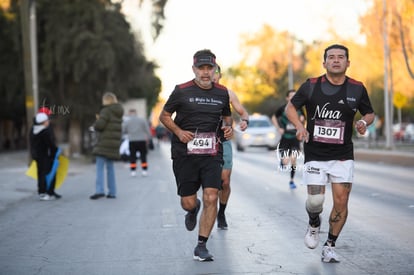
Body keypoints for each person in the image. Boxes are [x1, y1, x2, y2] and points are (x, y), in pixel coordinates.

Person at [285, 44, 375, 263]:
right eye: (331, 57)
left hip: (343, 155)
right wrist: (299, 125)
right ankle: (314, 223)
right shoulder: (311, 86)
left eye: (341, 57)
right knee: (315, 201)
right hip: (315, 153)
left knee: (341, 201)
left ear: (348, 63)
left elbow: (370, 113)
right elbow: (290, 108)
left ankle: (330, 245)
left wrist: (363, 122)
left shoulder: (357, 88)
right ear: (324, 63)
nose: (336, 60)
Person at [159, 49, 233, 262]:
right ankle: (193, 210)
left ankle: (201, 245)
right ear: (194, 70)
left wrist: (228, 128)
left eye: (209, 68)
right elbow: (164, 116)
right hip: (185, 154)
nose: (205, 72)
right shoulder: (181, 91)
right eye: (201, 68)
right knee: (188, 202)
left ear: (214, 70)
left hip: (212, 153)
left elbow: (227, 118)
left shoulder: (222, 92)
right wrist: (179, 132)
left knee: (211, 195)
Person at [212, 64, 249, 230]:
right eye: (208, 70)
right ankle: (204, 209)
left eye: (215, 71)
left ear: (220, 75)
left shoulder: (227, 93)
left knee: (225, 182)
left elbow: (243, 112)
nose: (212, 74)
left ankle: (221, 212)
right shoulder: (195, 94)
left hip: (223, 141)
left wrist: (245, 121)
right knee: (207, 182)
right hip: (203, 143)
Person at [90, 92, 124, 200]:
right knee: (110, 168)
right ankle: (112, 192)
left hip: (104, 143)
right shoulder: (118, 112)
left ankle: (99, 191)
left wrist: (97, 121)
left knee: (99, 167)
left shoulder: (106, 110)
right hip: (113, 144)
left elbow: (100, 125)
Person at [271, 89, 305, 189]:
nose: (293, 97)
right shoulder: (282, 108)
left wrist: (302, 126)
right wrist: (279, 128)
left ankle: (291, 181)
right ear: (287, 98)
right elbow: (274, 117)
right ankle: (282, 162)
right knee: (286, 162)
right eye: (291, 96)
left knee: (294, 160)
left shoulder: (299, 108)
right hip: (285, 137)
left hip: (295, 138)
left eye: (295, 96)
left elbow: (304, 120)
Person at [29, 112, 61, 200]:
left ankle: (44, 191)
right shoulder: (44, 131)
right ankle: (44, 193)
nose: (48, 122)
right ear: (43, 122)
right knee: (45, 173)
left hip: (37, 155)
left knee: (40, 173)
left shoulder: (33, 130)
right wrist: (56, 151)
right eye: (47, 120)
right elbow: (50, 144)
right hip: (45, 155)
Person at [122, 109, 152, 177]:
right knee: (143, 156)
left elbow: (123, 130)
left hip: (132, 140)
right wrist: (149, 138)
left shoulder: (127, 121)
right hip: (141, 140)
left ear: (130, 113)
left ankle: (133, 171)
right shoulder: (142, 120)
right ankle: (144, 170)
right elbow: (147, 129)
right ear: (136, 113)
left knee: (133, 156)